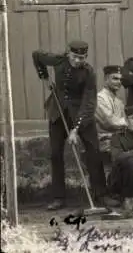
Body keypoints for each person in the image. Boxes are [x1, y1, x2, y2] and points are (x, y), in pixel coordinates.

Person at [32, 41, 112, 210]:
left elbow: (88, 102)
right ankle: (58, 197)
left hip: (82, 115)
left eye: (81, 58)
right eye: (75, 57)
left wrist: (76, 128)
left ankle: (100, 195)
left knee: (94, 151)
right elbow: (37, 55)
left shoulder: (89, 72)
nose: (77, 61)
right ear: (68, 53)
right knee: (55, 154)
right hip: (58, 112)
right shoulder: (59, 60)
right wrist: (44, 77)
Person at [95, 65, 127, 151]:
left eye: (120, 79)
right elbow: (110, 122)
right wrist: (127, 123)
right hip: (104, 142)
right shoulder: (99, 98)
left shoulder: (119, 101)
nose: (119, 82)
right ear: (106, 79)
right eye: (115, 79)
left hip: (118, 140)